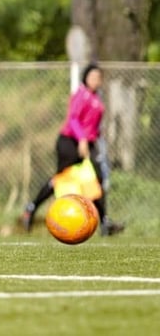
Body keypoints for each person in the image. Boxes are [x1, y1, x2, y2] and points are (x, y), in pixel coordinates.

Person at [21, 63, 124, 236]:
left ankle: (104, 222)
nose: (95, 80)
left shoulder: (96, 97)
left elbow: (93, 124)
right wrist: (82, 139)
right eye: (92, 76)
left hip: (89, 144)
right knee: (61, 179)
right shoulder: (81, 94)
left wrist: (97, 139)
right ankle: (31, 208)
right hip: (70, 142)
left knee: (96, 180)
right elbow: (73, 119)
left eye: (98, 77)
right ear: (85, 78)